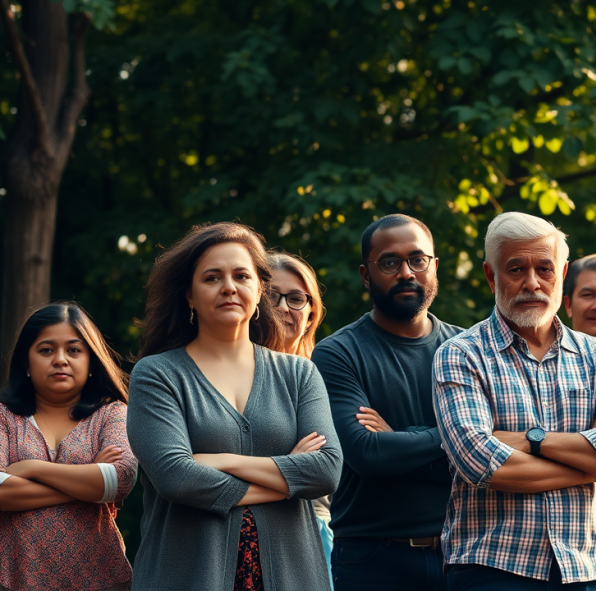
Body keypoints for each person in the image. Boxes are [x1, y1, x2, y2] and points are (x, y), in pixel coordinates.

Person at [433, 212, 596, 590]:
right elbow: (480, 462)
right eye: (516, 269)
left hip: (586, 571)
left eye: (545, 269)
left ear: (562, 274)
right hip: (493, 569)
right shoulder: (461, 354)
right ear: (491, 276)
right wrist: (592, 463)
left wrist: (531, 440)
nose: (532, 283)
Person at [126, 222, 342, 590]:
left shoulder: (299, 374)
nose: (229, 287)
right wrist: (287, 480)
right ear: (189, 295)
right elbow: (176, 477)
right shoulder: (156, 375)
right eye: (212, 278)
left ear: (259, 290)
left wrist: (220, 460)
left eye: (241, 276)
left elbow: (325, 470)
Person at [312, 214, 463, 591]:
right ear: (366, 275)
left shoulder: (468, 351)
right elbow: (367, 453)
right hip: (372, 559)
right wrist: (460, 438)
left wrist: (399, 438)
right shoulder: (337, 353)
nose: (406, 272)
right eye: (390, 262)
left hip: (463, 554)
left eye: (417, 260)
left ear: (434, 266)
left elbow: (492, 455)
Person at [0, 303, 137, 591]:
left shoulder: (111, 414)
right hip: (16, 577)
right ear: (26, 363)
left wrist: (31, 468)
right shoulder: (4, 417)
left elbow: (120, 480)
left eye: (74, 350)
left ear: (91, 362)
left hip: (101, 579)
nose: (60, 360)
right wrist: (89, 481)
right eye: (46, 350)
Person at [267, 250, 334, 589]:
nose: (282, 307)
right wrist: (290, 465)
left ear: (310, 314)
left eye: (295, 299)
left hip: (312, 529)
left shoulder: (324, 378)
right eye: (272, 296)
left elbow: (323, 470)